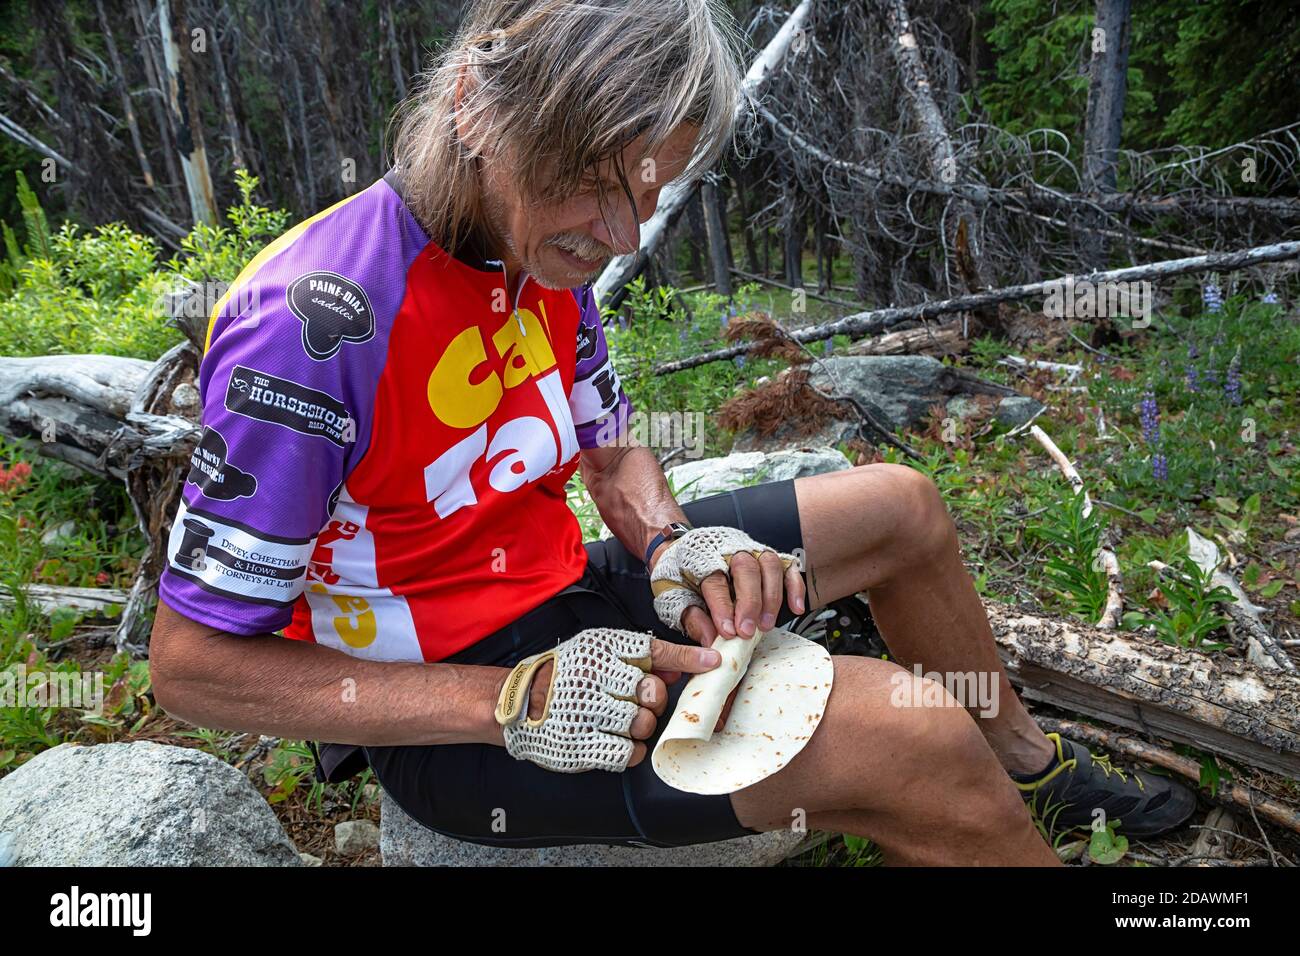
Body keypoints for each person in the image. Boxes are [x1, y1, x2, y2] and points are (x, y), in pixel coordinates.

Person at [148, 0, 1194, 865]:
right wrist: (510, 695)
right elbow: (190, 664)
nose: (618, 236)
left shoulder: (536, 253)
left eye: (646, 193)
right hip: (452, 696)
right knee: (909, 731)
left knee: (900, 507)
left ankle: (1024, 760)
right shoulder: (316, 323)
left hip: (562, 586)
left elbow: (607, 452)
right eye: (596, 184)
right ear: (472, 103)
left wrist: (667, 543)